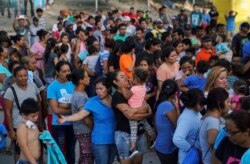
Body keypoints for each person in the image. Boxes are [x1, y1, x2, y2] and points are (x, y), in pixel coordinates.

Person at [58, 77, 117, 164]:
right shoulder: (92, 101)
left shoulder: (115, 100)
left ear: (108, 88)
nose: (98, 91)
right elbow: (80, 114)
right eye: (97, 89)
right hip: (99, 142)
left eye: (101, 88)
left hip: (114, 140)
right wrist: (66, 118)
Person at [111, 70, 151, 163]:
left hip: (140, 133)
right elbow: (131, 116)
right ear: (115, 82)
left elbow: (147, 108)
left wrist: (140, 111)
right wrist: (145, 113)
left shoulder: (135, 90)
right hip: (125, 135)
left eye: (125, 75)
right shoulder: (117, 96)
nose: (126, 77)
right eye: (122, 77)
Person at [4, 65, 40, 161]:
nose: (23, 78)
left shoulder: (33, 86)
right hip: (19, 126)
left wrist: (39, 121)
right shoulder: (10, 91)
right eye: (20, 76)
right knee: (19, 150)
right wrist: (11, 131)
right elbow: (7, 112)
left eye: (25, 75)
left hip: (33, 124)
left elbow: (38, 103)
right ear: (15, 77)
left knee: (34, 147)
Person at [121, 68, 155, 157]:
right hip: (141, 109)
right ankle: (153, 137)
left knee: (133, 130)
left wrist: (123, 88)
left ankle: (132, 148)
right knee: (146, 124)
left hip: (134, 111)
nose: (131, 79)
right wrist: (131, 84)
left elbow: (126, 96)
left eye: (132, 78)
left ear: (136, 79)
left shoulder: (134, 89)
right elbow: (136, 89)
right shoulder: (143, 87)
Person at [47, 61, 76, 164]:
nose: (67, 73)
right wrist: (72, 109)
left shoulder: (74, 83)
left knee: (71, 151)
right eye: (64, 71)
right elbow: (55, 110)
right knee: (59, 151)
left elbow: (78, 105)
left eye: (68, 70)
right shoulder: (52, 87)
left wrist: (63, 105)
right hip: (59, 124)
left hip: (73, 123)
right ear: (57, 72)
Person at [173, 88, 205, 163]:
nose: (203, 104)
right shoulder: (187, 118)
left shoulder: (195, 112)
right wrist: (191, 149)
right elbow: (177, 139)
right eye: (201, 102)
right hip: (188, 158)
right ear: (193, 103)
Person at [199, 87, 230, 164]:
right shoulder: (213, 121)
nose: (230, 104)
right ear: (219, 103)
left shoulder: (208, 116)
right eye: (228, 101)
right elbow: (213, 144)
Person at [154, 79, 179, 163]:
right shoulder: (167, 105)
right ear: (174, 93)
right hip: (167, 146)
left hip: (161, 144)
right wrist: (177, 107)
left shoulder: (159, 102)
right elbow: (177, 125)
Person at [16, 98, 41, 164]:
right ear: (23, 115)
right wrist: (32, 161)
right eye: (33, 116)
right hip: (27, 161)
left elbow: (34, 137)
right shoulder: (23, 127)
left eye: (37, 115)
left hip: (34, 160)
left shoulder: (33, 124)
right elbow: (23, 146)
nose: (36, 117)